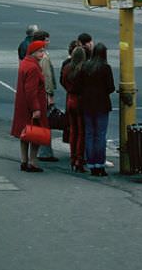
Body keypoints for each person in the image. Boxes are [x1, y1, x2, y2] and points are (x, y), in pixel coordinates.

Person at [10, 40, 48, 172]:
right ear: (33, 52)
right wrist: (36, 108)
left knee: (24, 134)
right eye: (40, 51)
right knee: (36, 134)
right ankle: (33, 161)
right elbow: (31, 90)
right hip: (32, 106)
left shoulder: (25, 63)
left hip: (22, 105)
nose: (43, 53)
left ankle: (24, 160)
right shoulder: (33, 67)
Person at [80, 42, 115, 177]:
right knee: (100, 135)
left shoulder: (85, 66)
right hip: (101, 104)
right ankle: (100, 164)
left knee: (89, 134)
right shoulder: (106, 68)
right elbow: (110, 87)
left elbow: (79, 85)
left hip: (87, 104)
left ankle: (91, 164)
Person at [32, 30, 58, 162]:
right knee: (45, 123)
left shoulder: (34, 54)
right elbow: (47, 77)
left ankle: (39, 151)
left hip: (37, 93)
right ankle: (45, 152)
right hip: (44, 94)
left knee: (39, 123)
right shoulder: (44, 56)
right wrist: (50, 95)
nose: (49, 42)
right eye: (47, 40)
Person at [60, 44, 86, 172]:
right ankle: (79, 159)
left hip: (70, 99)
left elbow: (63, 81)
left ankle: (72, 157)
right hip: (80, 101)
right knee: (81, 132)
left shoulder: (67, 68)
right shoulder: (83, 70)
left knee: (73, 130)